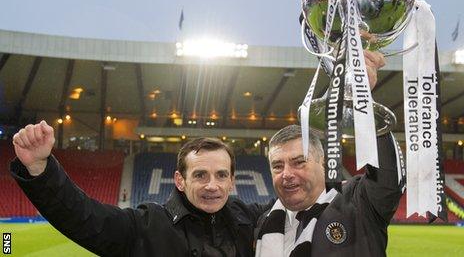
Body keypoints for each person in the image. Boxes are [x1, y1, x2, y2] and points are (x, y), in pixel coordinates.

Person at [10, 127, 272, 256]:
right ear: (180, 181)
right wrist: (39, 168)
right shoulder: (147, 226)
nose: (212, 185)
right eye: (200, 175)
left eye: (221, 175)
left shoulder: (248, 218)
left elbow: (301, 202)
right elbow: (82, 216)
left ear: (232, 181)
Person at [255, 52, 402, 256]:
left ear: (322, 162)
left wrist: (360, 96)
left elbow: (388, 174)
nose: (286, 173)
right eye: (277, 166)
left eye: (299, 162)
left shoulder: (358, 200)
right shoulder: (265, 221)